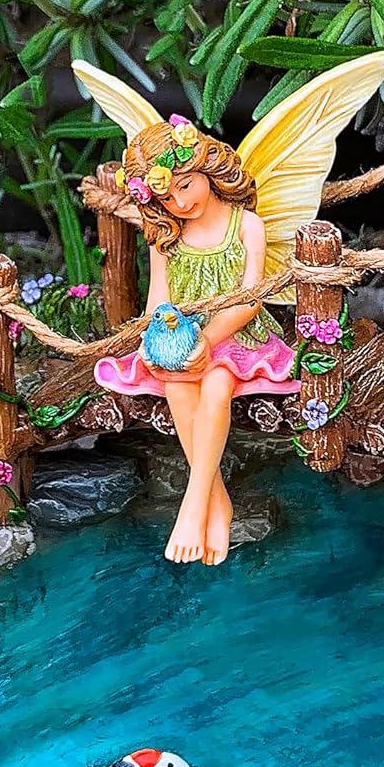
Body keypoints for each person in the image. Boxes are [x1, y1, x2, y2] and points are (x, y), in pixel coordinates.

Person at [94, 117, 298, 565]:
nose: (180, 202)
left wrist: (207, 339)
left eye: (185, 186)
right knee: (175, 385)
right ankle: (217, 503)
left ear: (207, 169)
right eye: (167, 197)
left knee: (219, 384)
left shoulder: (246, 226)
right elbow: (159, 298)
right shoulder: (166, 235)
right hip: (179, 336)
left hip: (236, 334)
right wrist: (155, 339)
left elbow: (251, 298)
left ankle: (192, 506)